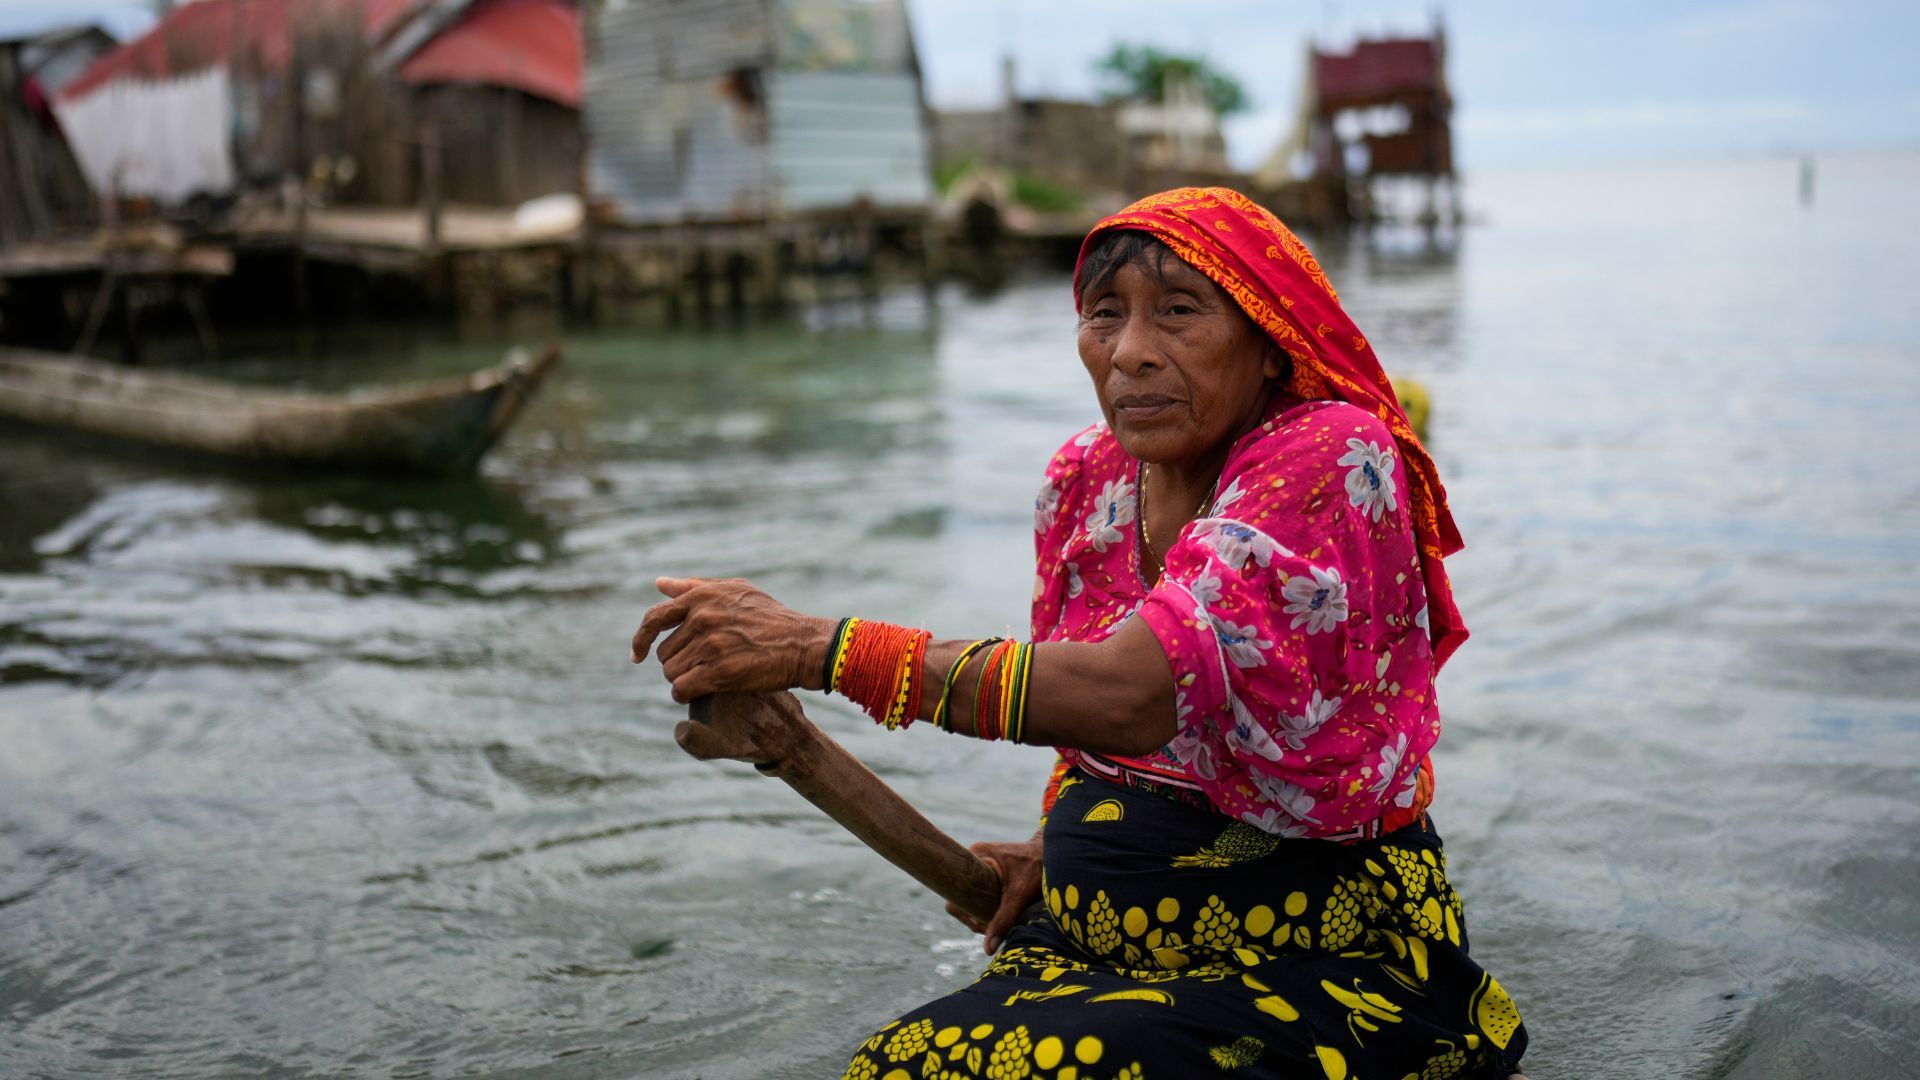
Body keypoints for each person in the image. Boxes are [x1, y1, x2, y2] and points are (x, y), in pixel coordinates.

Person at [631, 188, 1528, 1079]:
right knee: (891, 1065)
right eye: (1105, 315)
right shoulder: (1088, 475)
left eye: (1179, 313)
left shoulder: (1328, 452)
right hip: (1085, 945)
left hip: (1314, 965)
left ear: (1268, 343)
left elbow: (1130, 692)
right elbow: (1087, 722)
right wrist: (1052, 844)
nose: (1131, 353)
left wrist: (818, 648)